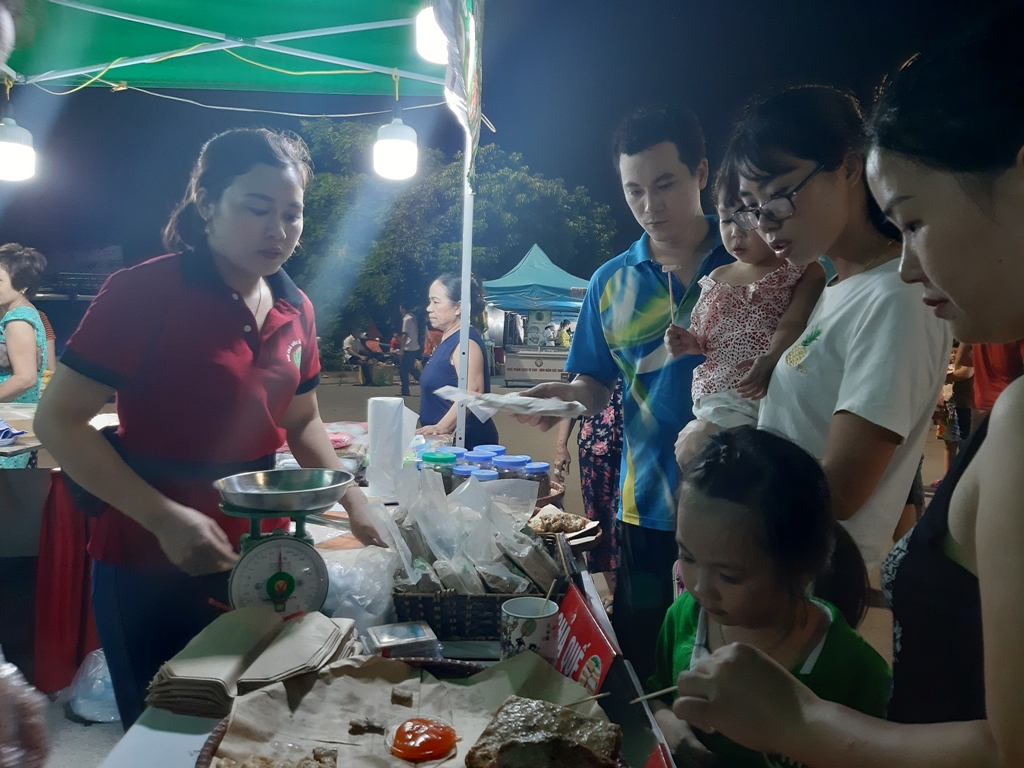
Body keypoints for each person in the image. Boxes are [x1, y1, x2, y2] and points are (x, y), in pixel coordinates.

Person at [668, 11, 1024, 765]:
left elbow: (1009, 745)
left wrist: (803, 725)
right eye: (752, 209)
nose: (910, 263)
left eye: (917, 221)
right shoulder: (835, 290)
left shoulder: (913, 320)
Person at [34, 128, 385, 728]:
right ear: (206, 203)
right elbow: (58, 421)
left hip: (267, 554)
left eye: (292, 215)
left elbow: (301, 421)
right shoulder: (142, 293)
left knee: (257, 728)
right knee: (164, 731)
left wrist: (354, 498)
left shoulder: (294, 306)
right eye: (257, 209)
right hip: (148, 553)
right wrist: (164, 518)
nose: (278, 230)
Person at [678, 85, 949, 576]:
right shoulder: (839, 290)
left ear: (847, 166)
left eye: (779, 200)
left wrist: (718, 455)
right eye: (753, 208)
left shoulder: (896, 297)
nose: (765, 226)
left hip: (812, 587)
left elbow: (840, 492)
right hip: (772, 574)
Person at [517, 105, 734, 683]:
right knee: (647, 655)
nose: (649, 205)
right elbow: (595, 386)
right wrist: (563, 395)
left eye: (665, 184)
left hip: (741, 499)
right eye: (634, 190)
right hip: (647, 505)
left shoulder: (749, 259)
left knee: (729, 657)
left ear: (702, 173)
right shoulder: (609, 282)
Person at [650, 427, 888, 767]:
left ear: (800, 568)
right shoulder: (683, 617)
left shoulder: (856, 672)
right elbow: (655, 693)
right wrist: (669, 725)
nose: (701, 588)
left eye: (729, 576)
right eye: (687, 557)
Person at [665, 157, 825, 430]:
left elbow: (794, 323)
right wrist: (685, 342)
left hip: (773, 391)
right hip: (718, 396)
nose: (734, 233)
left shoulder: (802, 270)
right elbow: (704, 341)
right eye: (726, 220)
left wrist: (772, 357)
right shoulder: (717, 278)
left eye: (747, 218)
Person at [554, 377, 623, 594]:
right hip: (594, 446)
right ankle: (613, 592)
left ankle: (628, 589)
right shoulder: (590, 351)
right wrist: (561, 446)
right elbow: (572, 400)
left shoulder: (638, 348)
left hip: (633, 447)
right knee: (599, 518)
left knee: (626, 520)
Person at [415, 273, 498, 449]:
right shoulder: (449, 339)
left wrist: (442, 427)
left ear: (458, 307)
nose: (429, 308)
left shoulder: (465, 343)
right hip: (443, 443)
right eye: (429, 301)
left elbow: (473, 391)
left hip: (465, 444)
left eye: (435, 302)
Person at [0, 244, 48, 469]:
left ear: (23, 286)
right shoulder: (24, 313)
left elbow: (25, 377)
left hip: (8, 425)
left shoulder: (17, 320)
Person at [970, 340, 1023, 431]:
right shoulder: (1017, 327)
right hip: (1010, 406)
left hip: (981, 403)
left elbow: (963, 358)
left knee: (978, 443)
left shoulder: (977, 326)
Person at [397, 302, 421, 397]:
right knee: (411, 368)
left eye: (401, 309)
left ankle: (405, 390)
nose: (400, 311)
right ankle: (423, 382)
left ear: (404, 309)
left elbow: (405, 335)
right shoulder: (414, 318)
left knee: (403, 370)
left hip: (408, 347)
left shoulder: (406, 319)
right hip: (415, 346)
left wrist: (401, 349)